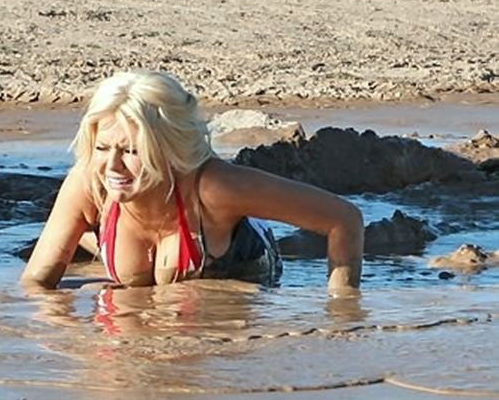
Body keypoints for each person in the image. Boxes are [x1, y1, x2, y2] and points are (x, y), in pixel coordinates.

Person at [21, 71, 363, 293]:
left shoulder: (216, 188)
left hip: (243, 260)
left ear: (170, 151)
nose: (113, 166)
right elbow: (36, 284)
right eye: (101, 147)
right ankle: (94, 242)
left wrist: (341, 312)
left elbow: (344, 220)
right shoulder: (89, 181)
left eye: (131, 151)